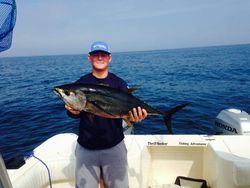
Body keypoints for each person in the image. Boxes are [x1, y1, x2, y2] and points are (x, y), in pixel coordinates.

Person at [65, 41, 148, 188]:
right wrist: (72, 111)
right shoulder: (81, 83)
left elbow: (128, 111)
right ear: (89, 58)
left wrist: (135, 118)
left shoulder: (119, 84)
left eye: (103, 54)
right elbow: (76, 112)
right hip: (87, 147)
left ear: (109, 58)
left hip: (114, 146)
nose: (99, 57)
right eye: (95, 54)